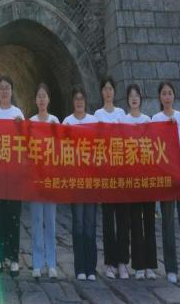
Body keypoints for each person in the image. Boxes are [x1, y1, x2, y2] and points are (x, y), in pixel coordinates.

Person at [152, 81, 180, 284]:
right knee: (167, 223)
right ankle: (170, 268)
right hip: (166, 179)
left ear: (174, 96)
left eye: (170, 93)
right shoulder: (156, 119)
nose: (167, 96)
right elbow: (154, 149)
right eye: (164, 93)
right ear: (160, 97)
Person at [0, 76, 24, 276]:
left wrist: (21, 126)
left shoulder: (18, 114)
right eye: (1, 88)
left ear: (12, 91)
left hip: (14, 177)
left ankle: (13, 258)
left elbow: (26, 140)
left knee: (13, 217)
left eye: (7, 88)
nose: (4, 91)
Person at [93, 76, 129, 280]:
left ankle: (123, 262)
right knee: (107, 221)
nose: (108, 92)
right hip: (105, 174)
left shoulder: (121, 114)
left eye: (110, 89)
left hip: (120, 173)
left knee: (122, 220)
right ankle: (110, 263)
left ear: (114, 92)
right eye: (105, 89)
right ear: (101, 92)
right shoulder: (97, 115)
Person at [121, 83, 157, 280]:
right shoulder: (123, 121)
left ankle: (150, 265)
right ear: (127, 100)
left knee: (149, 222)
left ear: (140, 99)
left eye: (136, 95)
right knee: (135, 222)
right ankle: (138, 266)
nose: (134, 98)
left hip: (147, 178)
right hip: (132, 180)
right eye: (131, 96)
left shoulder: (148, 120)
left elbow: (155, 146)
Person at [63, 87, 97, 281]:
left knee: (90, 224)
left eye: (82, 99)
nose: (79, 102)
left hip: (90, 181)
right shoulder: (67, 122)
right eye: (76, 99)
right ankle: (80, 268)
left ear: (85, 102)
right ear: (72, 102)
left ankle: (91, 267)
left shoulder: (93, 121)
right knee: (78, 225)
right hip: (75, 182)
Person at [29, 83, 59, 279]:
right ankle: (37, 263)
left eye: (44, 96)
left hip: (51, 178)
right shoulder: (30, 122)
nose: (41, 99)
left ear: (48, 99)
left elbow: (61, 146)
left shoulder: (55, 121)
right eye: (39, 96)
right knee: (36, 220)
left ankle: (52, 262)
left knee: (50, 221)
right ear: (35, 100)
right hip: (35, 179)